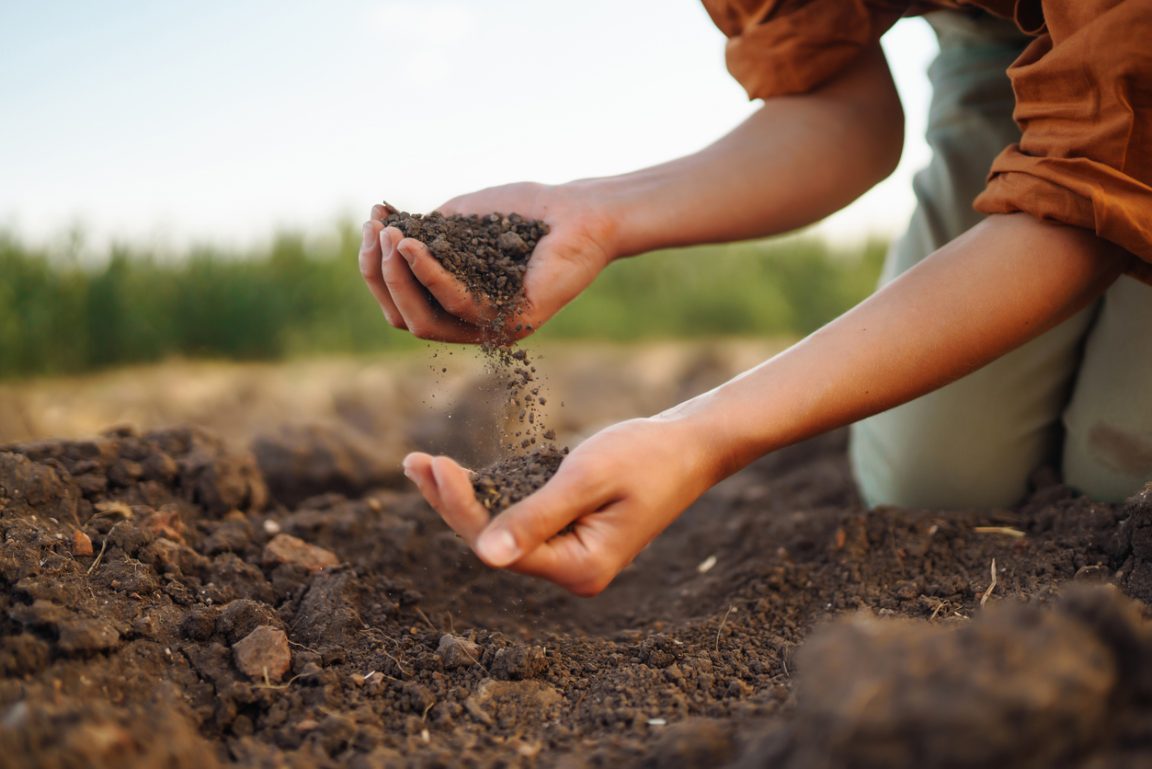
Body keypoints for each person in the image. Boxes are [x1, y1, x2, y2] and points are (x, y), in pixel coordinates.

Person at [359, 1, 1152, 597]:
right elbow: (840, 112)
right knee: (937, 485)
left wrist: (701, 436)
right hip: (1004, 43)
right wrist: (599, 214)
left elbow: (1087, 201)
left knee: (1119, 478)